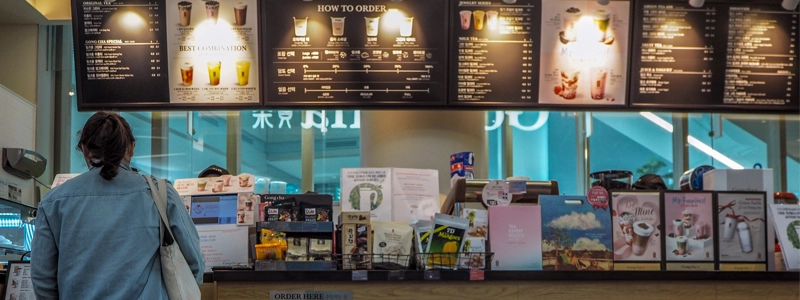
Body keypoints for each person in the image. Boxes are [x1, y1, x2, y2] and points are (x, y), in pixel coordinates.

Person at [31, 112, 204, 299]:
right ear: (131, 148)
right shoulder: (161, 193)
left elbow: (43, 279)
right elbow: (194, 262)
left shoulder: (53, 202)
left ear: (84, 149)